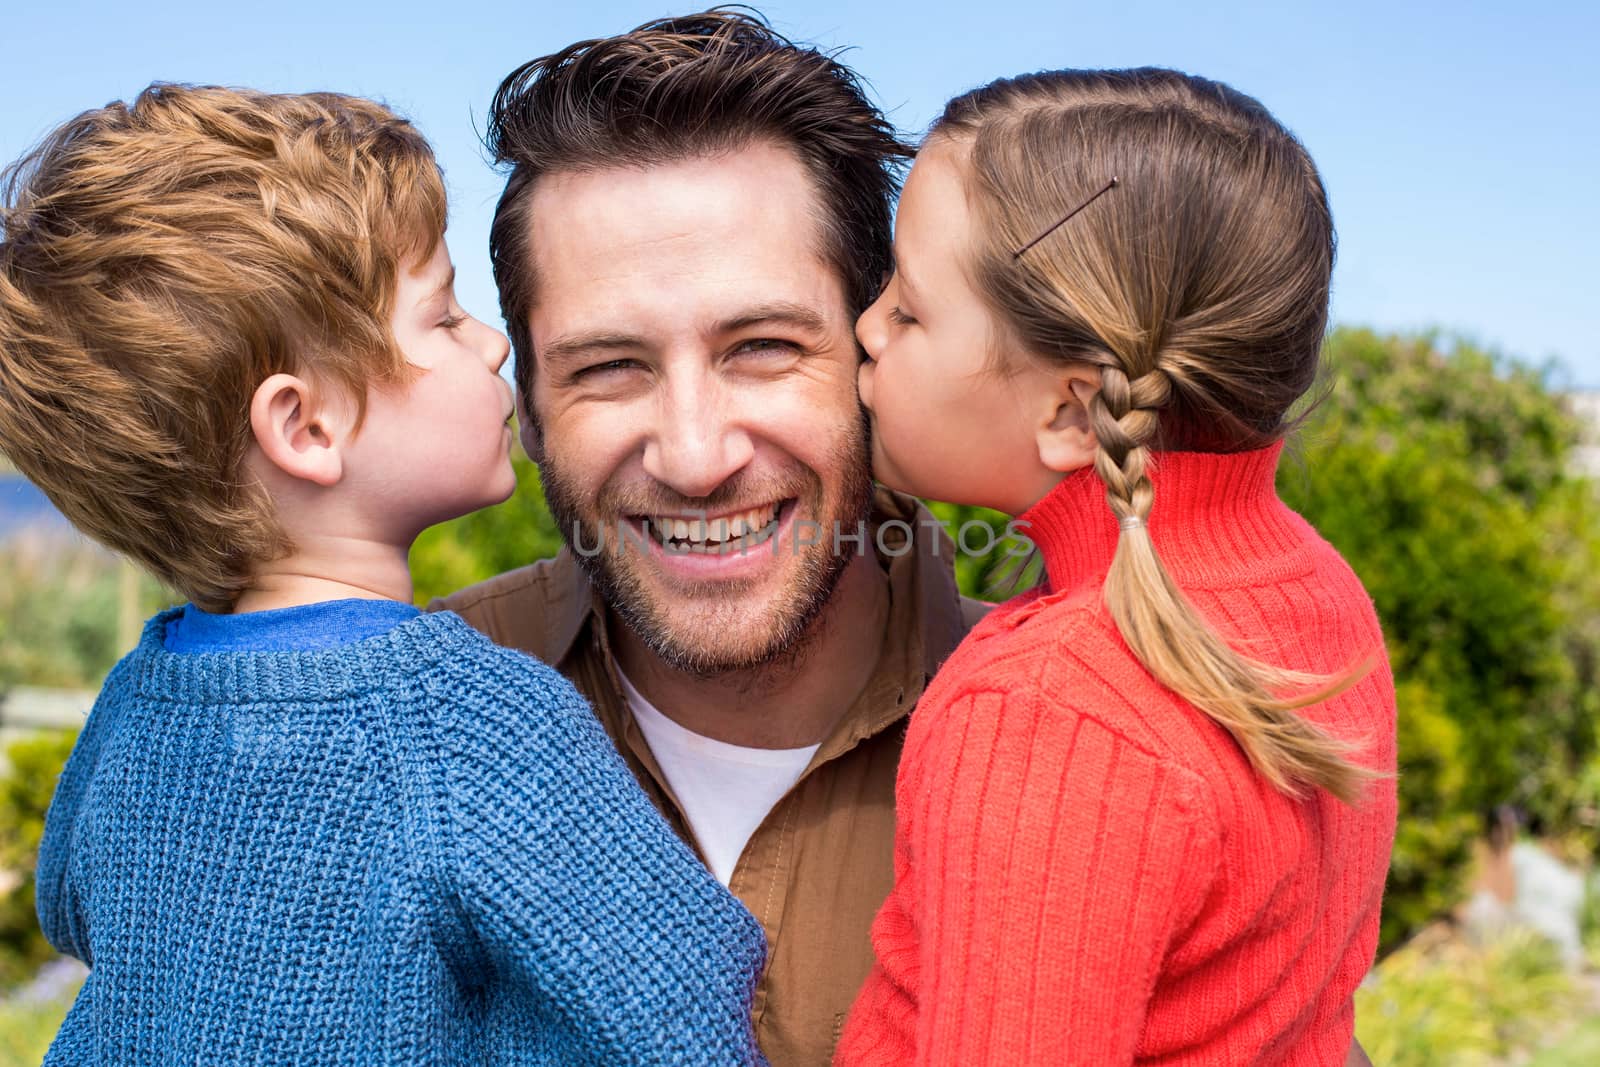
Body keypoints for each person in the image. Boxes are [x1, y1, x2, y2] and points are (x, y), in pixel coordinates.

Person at [0, 84, 765, 1065]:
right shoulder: (476, 729)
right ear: (306, 428)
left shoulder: (135, 704)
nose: (491, 342)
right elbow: (682, 993)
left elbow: (76, 904)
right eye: (443, 317)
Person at [432, 12, 988, 1064]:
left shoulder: (1117, 726)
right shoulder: (386, 737)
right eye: (607, 366)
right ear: (532, 405)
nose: (693, 457)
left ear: (878, 355)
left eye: (763, 347)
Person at [835, 68, 1399, 1065]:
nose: (865, 329)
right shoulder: (1316, 592)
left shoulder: (1044, 712)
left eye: (909, 310)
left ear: (1069, 411)